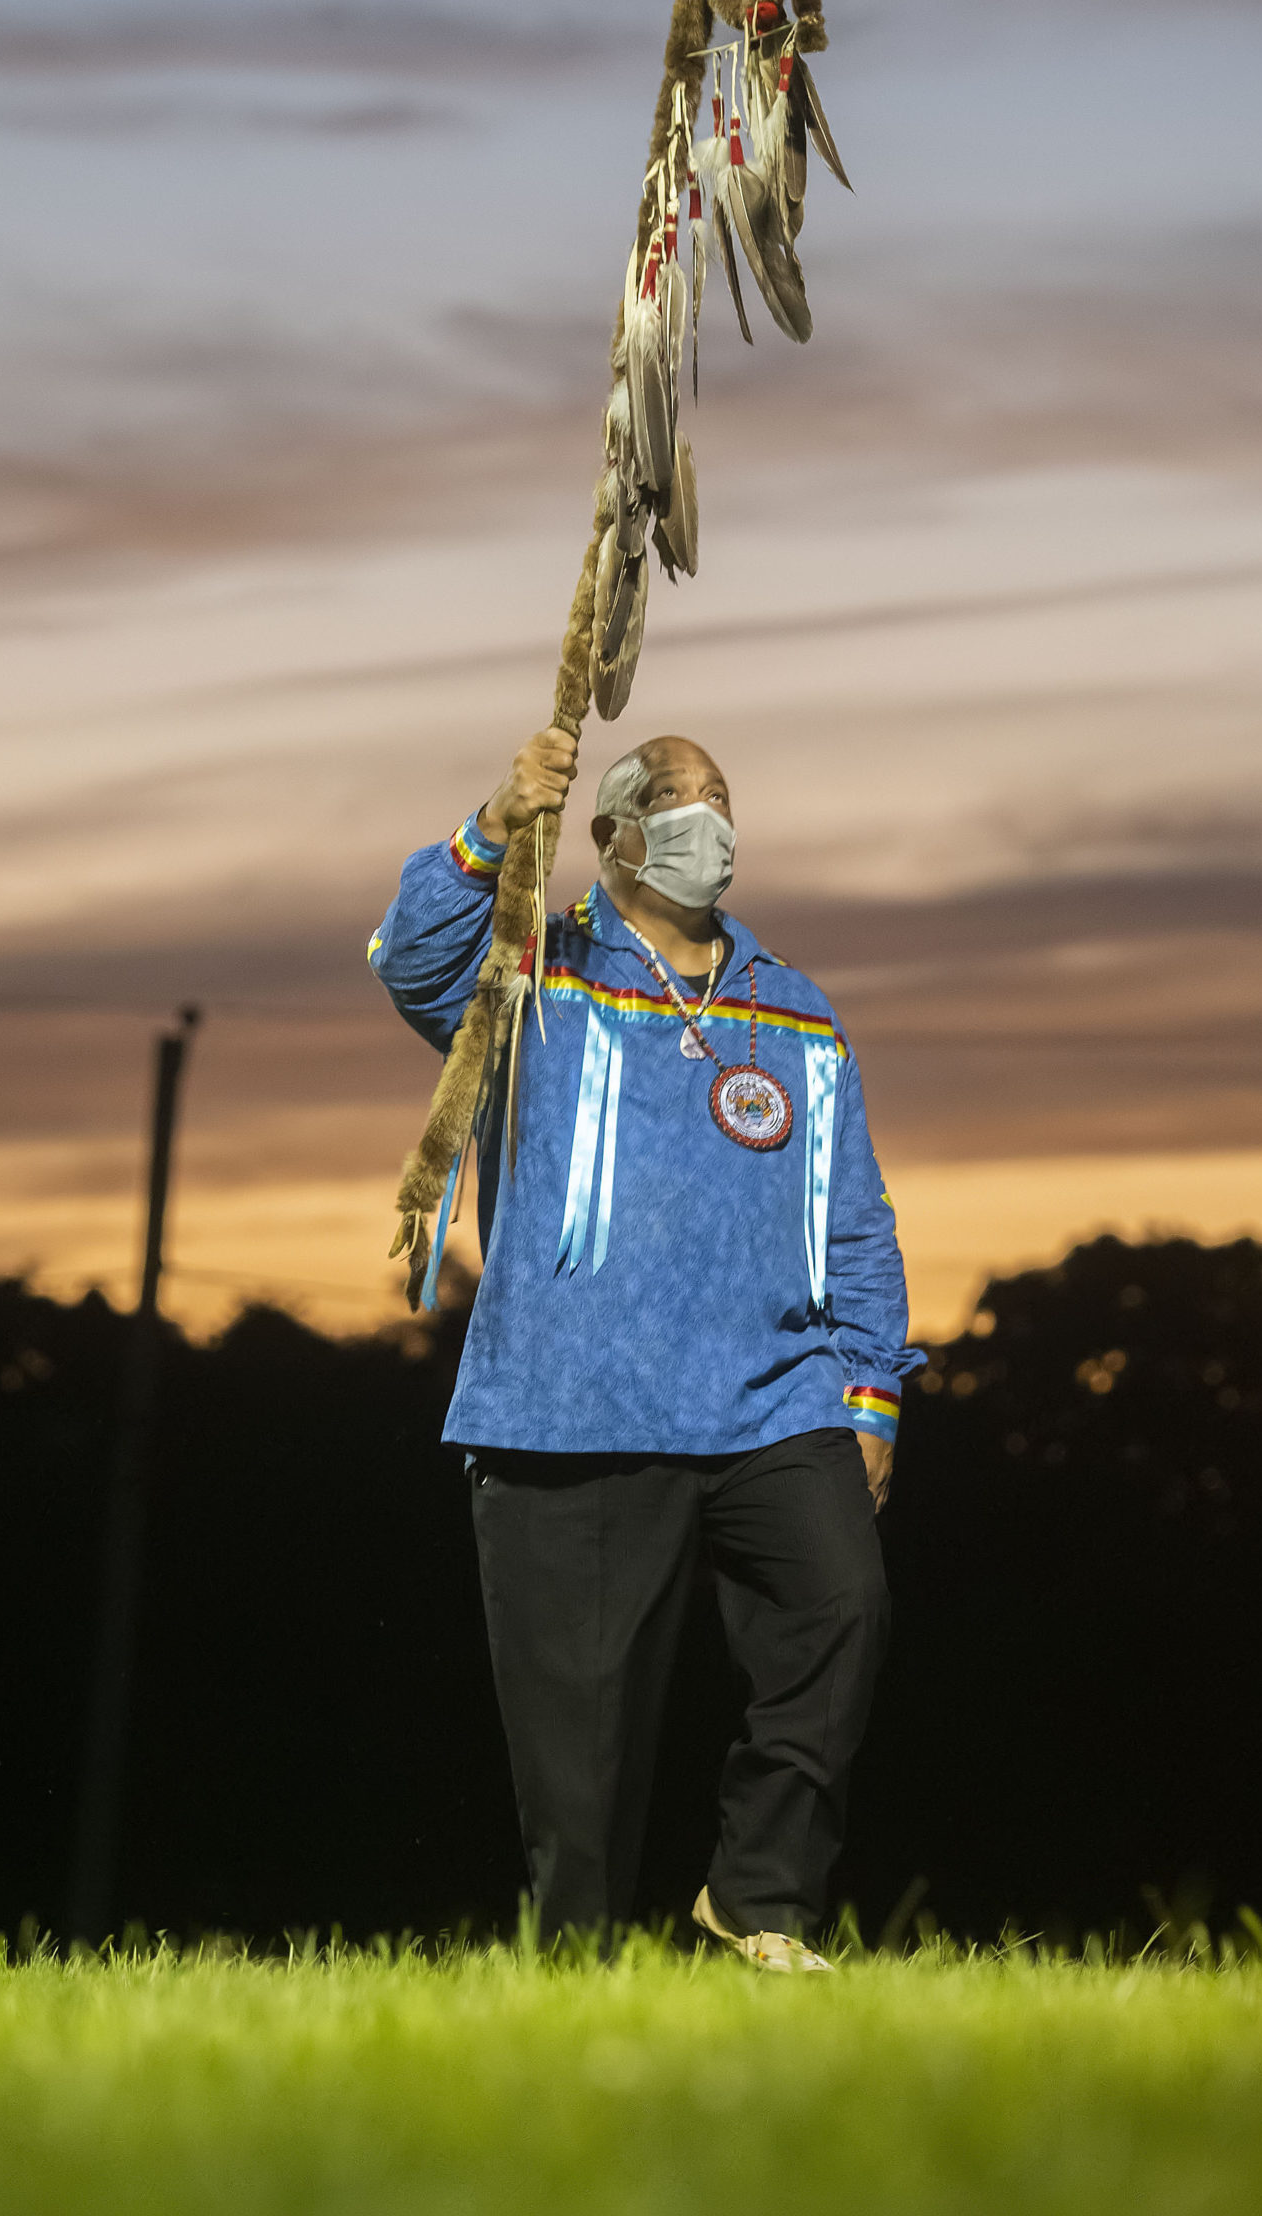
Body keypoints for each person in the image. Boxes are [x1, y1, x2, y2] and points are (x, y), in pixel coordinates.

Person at [368, 728, 918, 1968]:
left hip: (777, 1397)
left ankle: (760, 1904)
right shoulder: (537, 967)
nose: (705, 821)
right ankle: (580, 1977)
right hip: (576, 1398)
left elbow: (858, 1213)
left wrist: (870, 1389)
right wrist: (495, 824)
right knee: (586, 1739)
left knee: (843, 1607)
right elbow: (412, 965)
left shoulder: (797, 1007)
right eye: (675, 801)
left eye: (720, 800)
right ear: (609, 836)